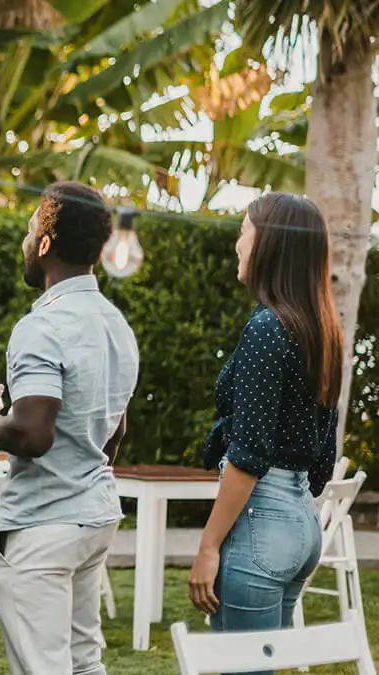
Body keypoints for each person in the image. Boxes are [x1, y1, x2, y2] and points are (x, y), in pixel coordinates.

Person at [0, 181, 139, 675]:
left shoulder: (40, 327)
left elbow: (34, 436)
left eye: (28, 231)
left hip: (42, 527)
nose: (24, 242)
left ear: (43, 244)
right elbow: (116, 427)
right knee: (84, 662)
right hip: (94, 515)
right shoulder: (115, 325)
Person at [188, 194, 341, 665]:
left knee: (242, 666)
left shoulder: (268, 328)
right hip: (302, 525)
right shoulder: (322, 328)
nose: (237, 244)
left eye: (243, 231)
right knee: (266, 663)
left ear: (270, 243)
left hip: (261, 522)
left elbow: (248, 454)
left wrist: (208, 546)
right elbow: (323, 456)